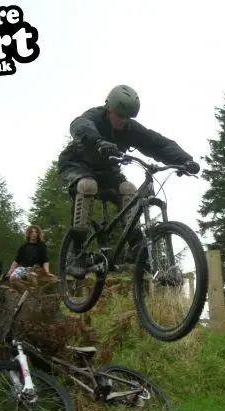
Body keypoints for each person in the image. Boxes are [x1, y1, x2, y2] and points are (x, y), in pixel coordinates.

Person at [57, 84, 200, 279]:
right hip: (77, 164)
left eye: (128, 118)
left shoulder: (130, 129)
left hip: (107, 171)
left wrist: (184, 160)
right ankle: (76, 254)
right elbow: (80, 125)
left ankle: (136, 248)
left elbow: (157, 143)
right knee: (87, 186)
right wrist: (99, 142)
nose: (123, 121)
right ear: (109, 108)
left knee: (128, 189)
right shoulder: (94, 117)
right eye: (120, 116)